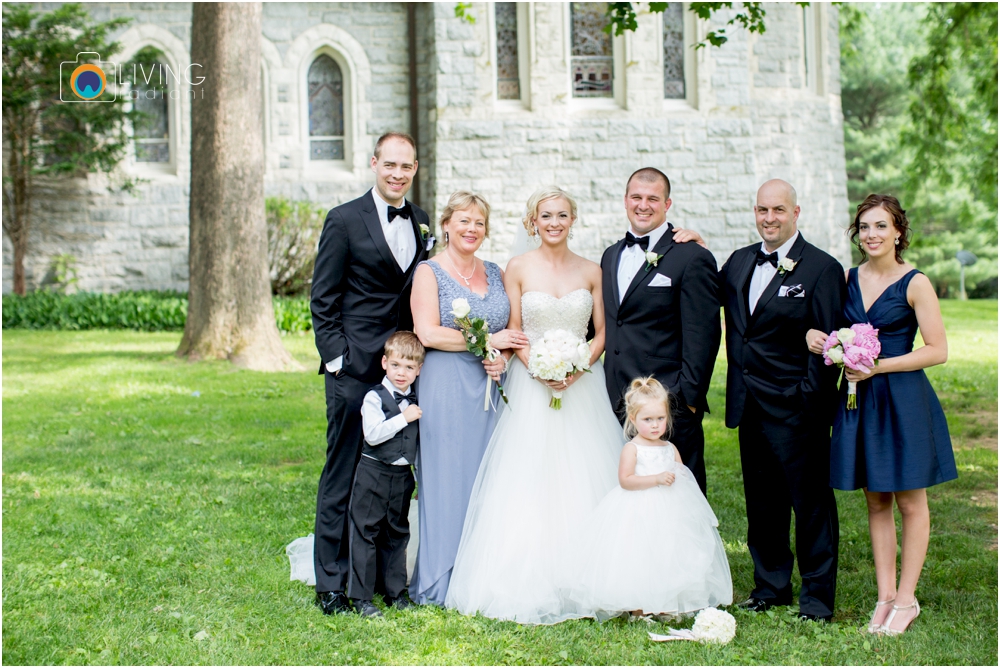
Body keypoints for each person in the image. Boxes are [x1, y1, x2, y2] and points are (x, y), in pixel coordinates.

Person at [445, 186, 624, 625]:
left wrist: (579, 366)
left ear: (572, 220)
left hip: (582, 385)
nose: (554, 223)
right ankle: (529, 574)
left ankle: (592, 575)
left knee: (586, 472)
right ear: (533, 222)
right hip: (531, 384)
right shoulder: (517, 267)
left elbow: (601, 333)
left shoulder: (593, 270)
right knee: (529, 476)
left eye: (562, 215)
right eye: (546, 216)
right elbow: (514, 328)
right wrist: (538, 368)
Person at [805, 194, 956, 635]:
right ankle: (885, 595)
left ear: (897, 232)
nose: (871, 235)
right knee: (875, 499)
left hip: (901, 397)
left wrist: (879, 366)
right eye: (864, 227)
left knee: (910, 499)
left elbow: (938, 350)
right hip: (857, 400)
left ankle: (908, 600)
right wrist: (820, 336)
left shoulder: (915, 283)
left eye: (880, 226)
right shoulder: (848, 278)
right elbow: (830, 327)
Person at [310, 132, 432, 615]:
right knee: (345, 474)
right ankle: (333, 586)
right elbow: (323, 298)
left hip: (402, 371)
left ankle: (385, 581)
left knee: (394, 482)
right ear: (373, 163)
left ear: (415, 168)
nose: (397, 174)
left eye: (406, 166)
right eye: (390, 164)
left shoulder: (421, 221)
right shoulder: (343, 219)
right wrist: (338, 359)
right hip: (355, 369)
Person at [718, 179, 845, 621]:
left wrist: (808, 399)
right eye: (761, 210)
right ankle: (770, 587)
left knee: (810, 507)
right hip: (749, 404)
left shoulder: (822, 269)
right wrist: (691, 244)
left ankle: (816, 598)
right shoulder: (737, 262)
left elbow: (830, 342)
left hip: (797, 407)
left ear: (795, 212)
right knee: (763, 503)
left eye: (777, 210)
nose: (769, 218)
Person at [409, 191, 525, 606]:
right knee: (446, 477)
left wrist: (503, 357)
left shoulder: (495, 271)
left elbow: (511, 328)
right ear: (446, 225)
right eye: (463, 221)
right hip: (446, 384)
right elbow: (427, 332)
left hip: (491, 385)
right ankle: (441, 575)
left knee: (488, 476)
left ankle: (483, 572)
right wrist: (485, 341)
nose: (471, 229)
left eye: (478, 223)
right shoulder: (429, 272)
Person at [568, 377, 732, 620]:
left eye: (660, 419)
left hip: (669, 511)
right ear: (633, 419)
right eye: (648, 420)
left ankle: (666, 601)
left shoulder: (670, 448)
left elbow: (681, 474)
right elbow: (626, 480)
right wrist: (656, 479)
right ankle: (638, 605)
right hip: (638, 509)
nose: (655, 425)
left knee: (667, 553)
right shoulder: (632, 449)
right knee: (640, 555)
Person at [601, 167, 721, 495]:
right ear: (626, 200)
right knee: (626, 496)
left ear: (667, 204)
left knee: (678, 499)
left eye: (653, 199)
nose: (644, 205)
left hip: (668, 405)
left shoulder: (691, 256)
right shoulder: (611, 255)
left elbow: (704, 333)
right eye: (637, 197)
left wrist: (687, 401)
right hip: (614, 399)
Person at [347, 332, 425, 617]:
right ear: (384, 363)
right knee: (365, 532)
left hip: (402, 476)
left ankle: (395, 592)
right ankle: (361, 597)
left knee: (397, 532)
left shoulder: (417, 399)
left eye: (408, 367)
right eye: (396, 365)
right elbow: (373, 434)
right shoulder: (374, 397)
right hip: (373, 472)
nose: (401, 373)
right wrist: (403, 418)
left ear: (418, 370)